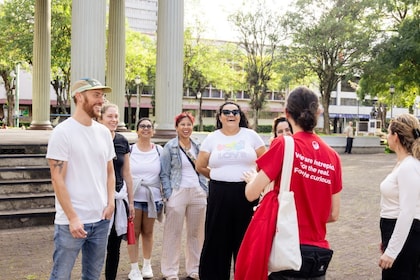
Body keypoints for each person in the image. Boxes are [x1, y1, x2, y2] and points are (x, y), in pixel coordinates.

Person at [244, 86, 342, 280]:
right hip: (317, 254)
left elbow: (251, 194)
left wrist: (253, 180)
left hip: (286, 249)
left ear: (286, 113)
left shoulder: (284, 144)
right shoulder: (333, 156)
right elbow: (333, 214)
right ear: (318, 112)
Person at [46, 78, 115, 279]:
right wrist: (73, 218)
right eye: (96, 95)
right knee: (61, 276)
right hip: (71, 223)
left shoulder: (103, 132)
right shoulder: (62, 133)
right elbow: (57, 179)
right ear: (79, 96)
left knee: (92, 277)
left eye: (102, 95)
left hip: (101, 220)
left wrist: (110, 202)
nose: (101, 100)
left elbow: (110, 171)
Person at [196, 102, 266, 280]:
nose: (231, 115)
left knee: (246, 240)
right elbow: (200, 166)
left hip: (247, 193)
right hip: (219, 194)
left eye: (235, 112)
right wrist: (219, 175)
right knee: (216, 240)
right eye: (226, 112)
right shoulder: (212, 138)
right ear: (220, 116)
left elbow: (266, 162)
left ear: (240, 116)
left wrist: (256, 181)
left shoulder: (251, 136)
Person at [160, 112, 208, 280]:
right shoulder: (169, 147)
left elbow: (204, 168)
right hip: (177, 191)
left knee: (196, 233)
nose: (186, 128)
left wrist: (205, 190)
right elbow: (164, 173)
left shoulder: (198, 145)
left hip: (197, 191)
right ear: (176, 127)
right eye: (182, 124)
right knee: (172, 233)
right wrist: (169, 194)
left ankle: (194, 269)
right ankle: (170, 271)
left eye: (188, 124)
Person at [378, 113, 420, 279]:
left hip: (407, 238)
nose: (387, 136)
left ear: (396, 137)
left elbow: (407, 211)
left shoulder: (409, 166)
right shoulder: (403, 164)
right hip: (398, 233)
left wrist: (392, 250)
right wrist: (388, 240)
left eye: (388, 132)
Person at [99, 103, 135, 280]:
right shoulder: (95, 139)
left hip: (119, 198)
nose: (114, 120)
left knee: (114, 246)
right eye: (110, 116)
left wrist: (132, 202)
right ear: (101, 118)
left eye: (116, 116)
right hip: (99, 198)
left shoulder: (122, 141)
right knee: (97, 245)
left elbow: (127, 173)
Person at [128, 118, 164, 280]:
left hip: (153, 198)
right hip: (133, 198)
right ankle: (134, 268)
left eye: (149, 126)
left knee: (148, 232)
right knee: (133, 232)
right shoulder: (130, 150)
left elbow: (164, 174)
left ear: (153, 131)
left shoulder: (159, 150)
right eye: (142, 126)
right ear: (137, 130)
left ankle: (147, 264)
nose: (146, 129)